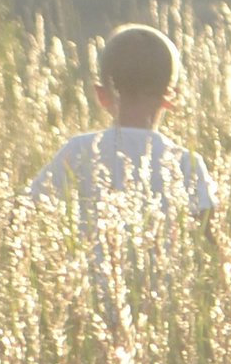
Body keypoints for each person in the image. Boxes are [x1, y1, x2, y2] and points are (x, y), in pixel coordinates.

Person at [26, 23, 219, 231]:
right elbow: (209, 234)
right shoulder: (186, 162)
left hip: (87, 254)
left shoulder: (77, 150)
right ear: (171, 97)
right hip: (161, 254)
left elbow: (26, 210)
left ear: (101, 95)